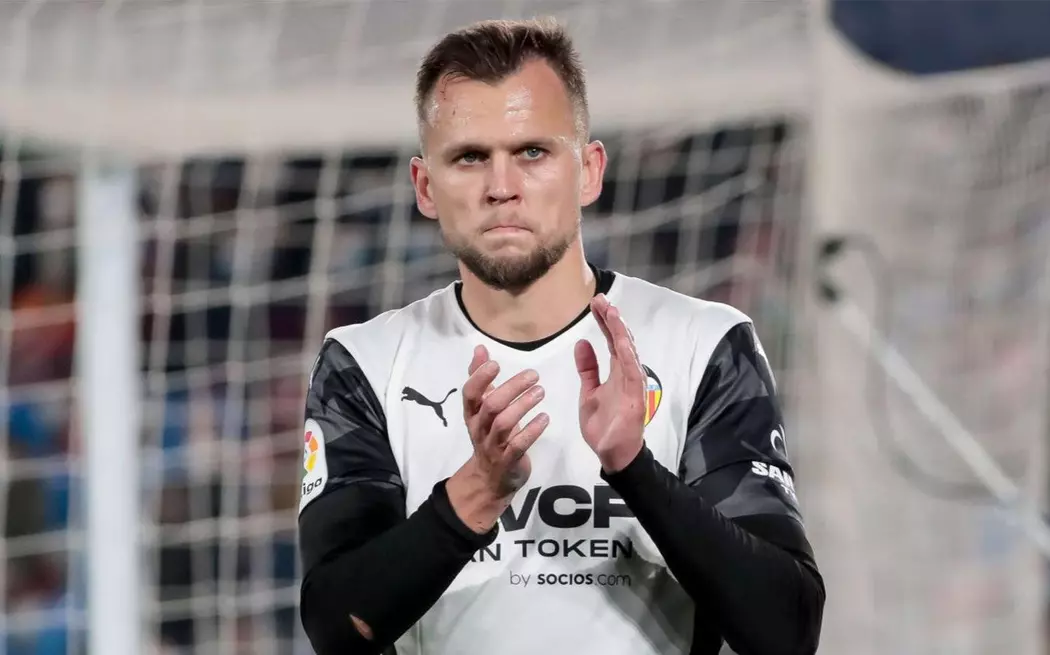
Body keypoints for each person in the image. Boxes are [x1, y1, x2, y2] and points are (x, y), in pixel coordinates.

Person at [297, 17, 825, 655]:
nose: (501, 188)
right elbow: (336, 628)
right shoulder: (365, 362)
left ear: (589, 171)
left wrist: (635, 470)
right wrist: (477, 490)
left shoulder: (703, 344)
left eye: (532, 153)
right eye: (470, 157)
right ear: (425, 187)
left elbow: (786, 632)